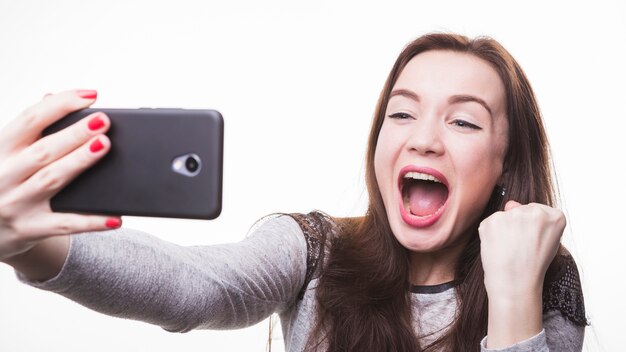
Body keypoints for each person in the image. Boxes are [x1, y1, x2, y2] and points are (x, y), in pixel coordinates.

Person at [0, 33, 587, 351]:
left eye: (463, 122)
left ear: (506, 161)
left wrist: (514, 297)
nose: (425, 140)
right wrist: (29, 244)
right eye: (402, 114)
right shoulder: (315, 250)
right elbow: (193, 288)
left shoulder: (543, 281)